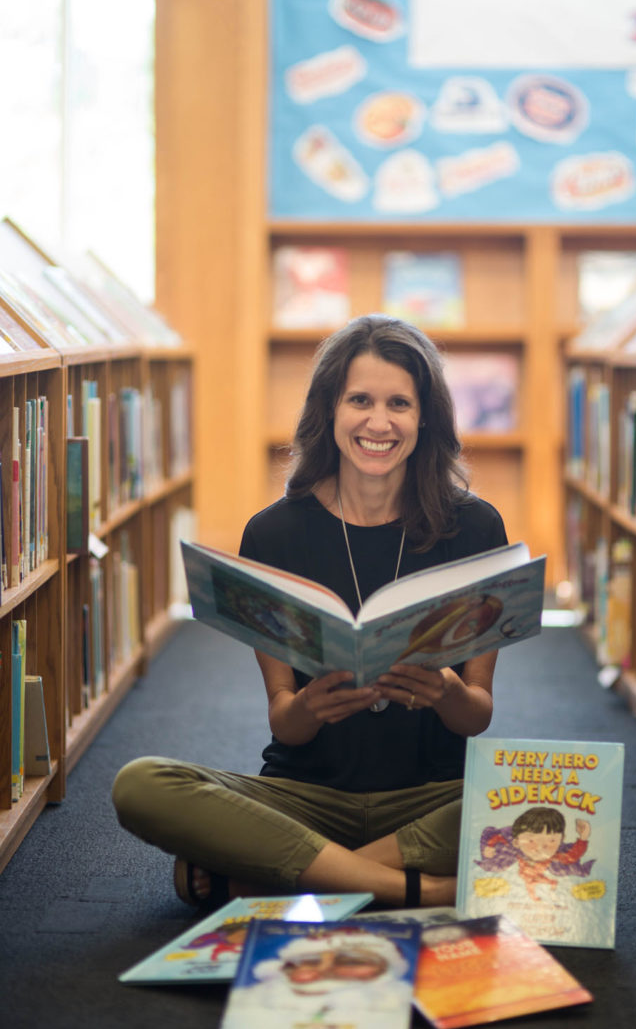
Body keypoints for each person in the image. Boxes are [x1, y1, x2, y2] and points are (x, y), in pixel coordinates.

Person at [112, 314, 508, 910]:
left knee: (539, 799)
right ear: (329, 409)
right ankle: (419, 889)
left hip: (431, 798)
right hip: (307, 799)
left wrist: (446, 691)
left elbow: (475, 717)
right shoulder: (273, 535)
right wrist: (308, 706)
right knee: (140, 784)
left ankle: (280, 877)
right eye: (360, 400)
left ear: (426, 416)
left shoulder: (475, 528)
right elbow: (285, 725)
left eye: (399, 403)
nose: (379, 422)